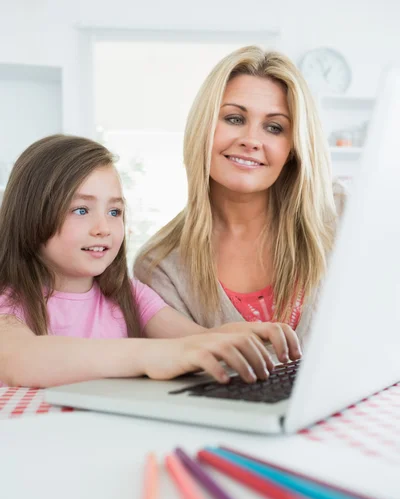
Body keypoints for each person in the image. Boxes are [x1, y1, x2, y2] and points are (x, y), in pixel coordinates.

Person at [0, 135, 301, 389]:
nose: (103, 227)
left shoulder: (128, 294)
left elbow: (195, 342)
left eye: (114, 212)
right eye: (81, 210)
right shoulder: (9, 302)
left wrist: (243, 336)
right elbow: (19, 358)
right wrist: (150, 355)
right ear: (30, 213)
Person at [134, 46, 339, 344]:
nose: (251, 141)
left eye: (274, 127)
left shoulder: (342, 219)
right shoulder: (160, 266)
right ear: (203, 128)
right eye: (234, 119)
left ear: (293, 148)